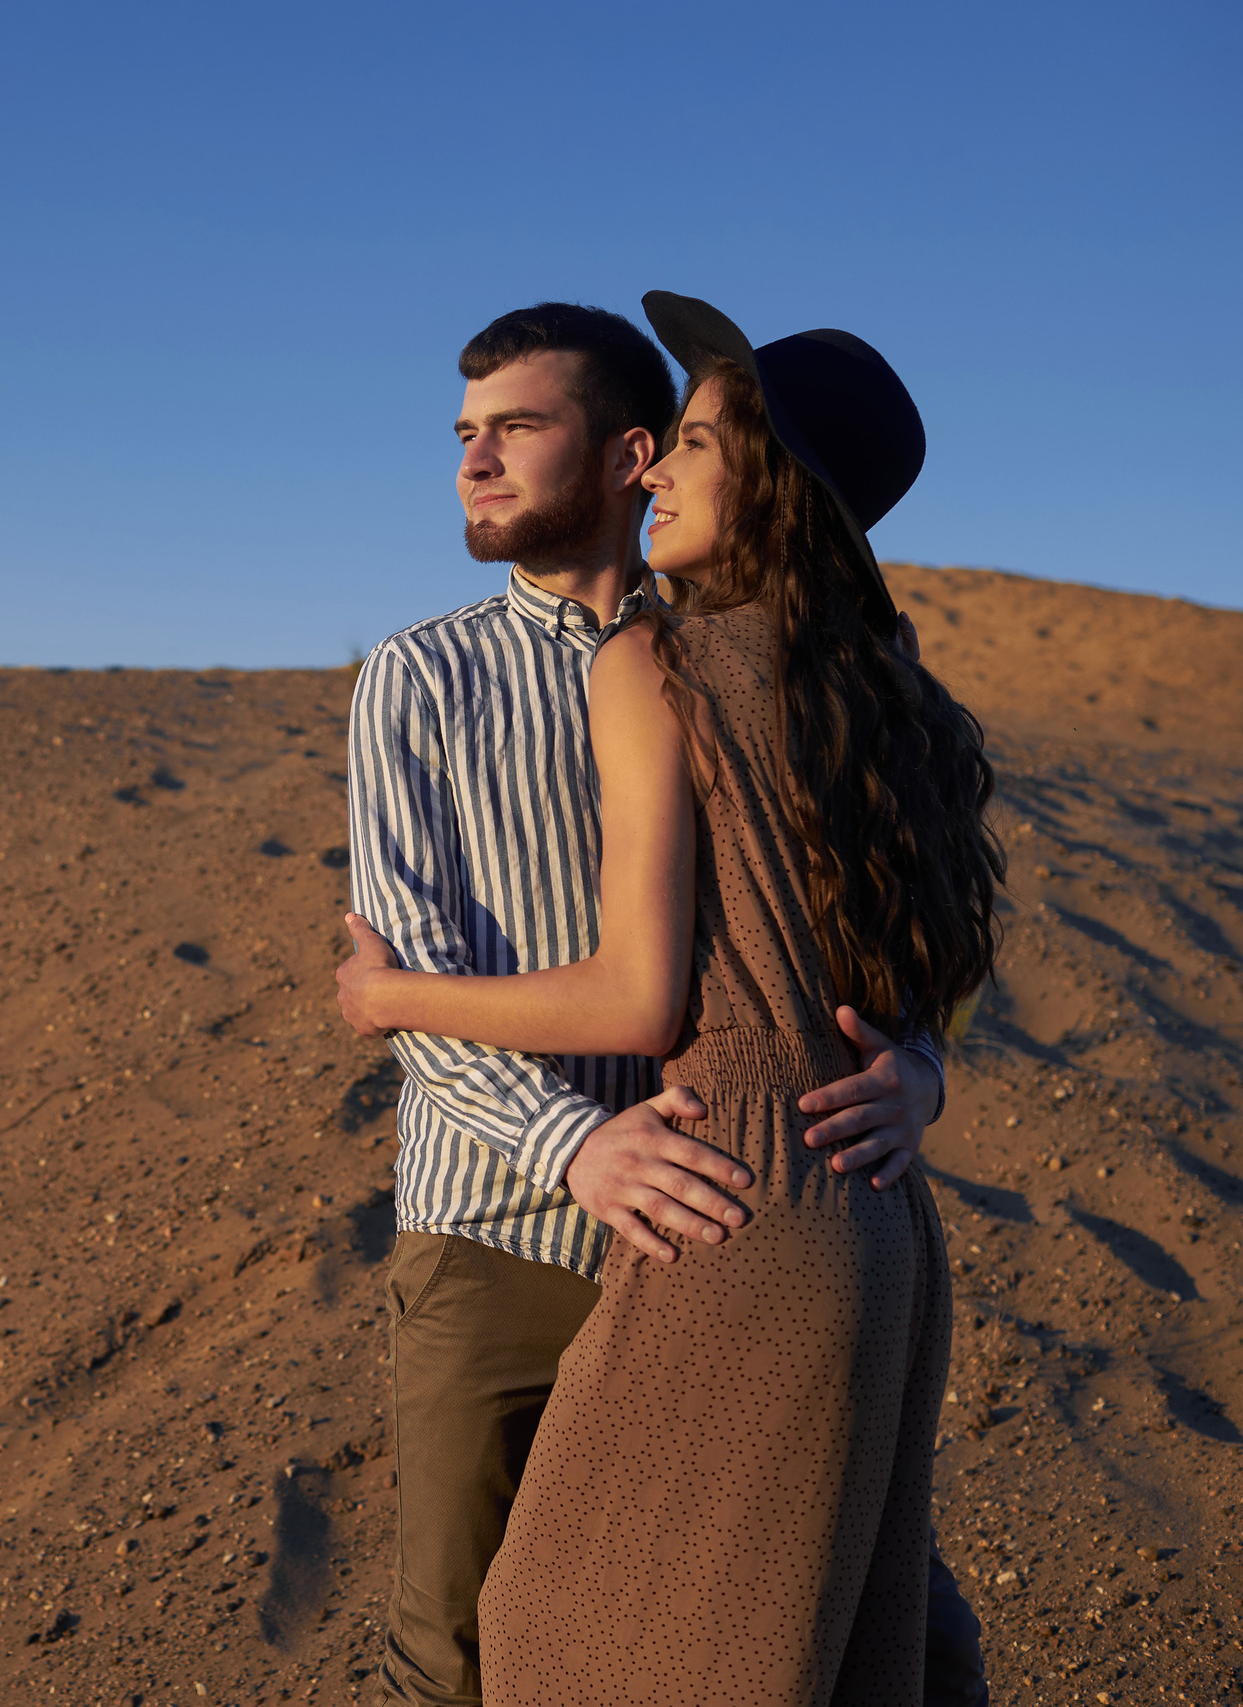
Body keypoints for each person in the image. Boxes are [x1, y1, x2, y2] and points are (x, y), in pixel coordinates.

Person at [337, 292, 1005, 1703]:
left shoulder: (711, 660)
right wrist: (577, 1145)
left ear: (632, 450)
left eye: (516, 427)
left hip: (728, 1215)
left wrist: (922, 1071)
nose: (474, 460)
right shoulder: (421, 679)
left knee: (789, 1630)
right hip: (508, 1227)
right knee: (463, 1647)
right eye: (465, 433)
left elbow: (841, 955)